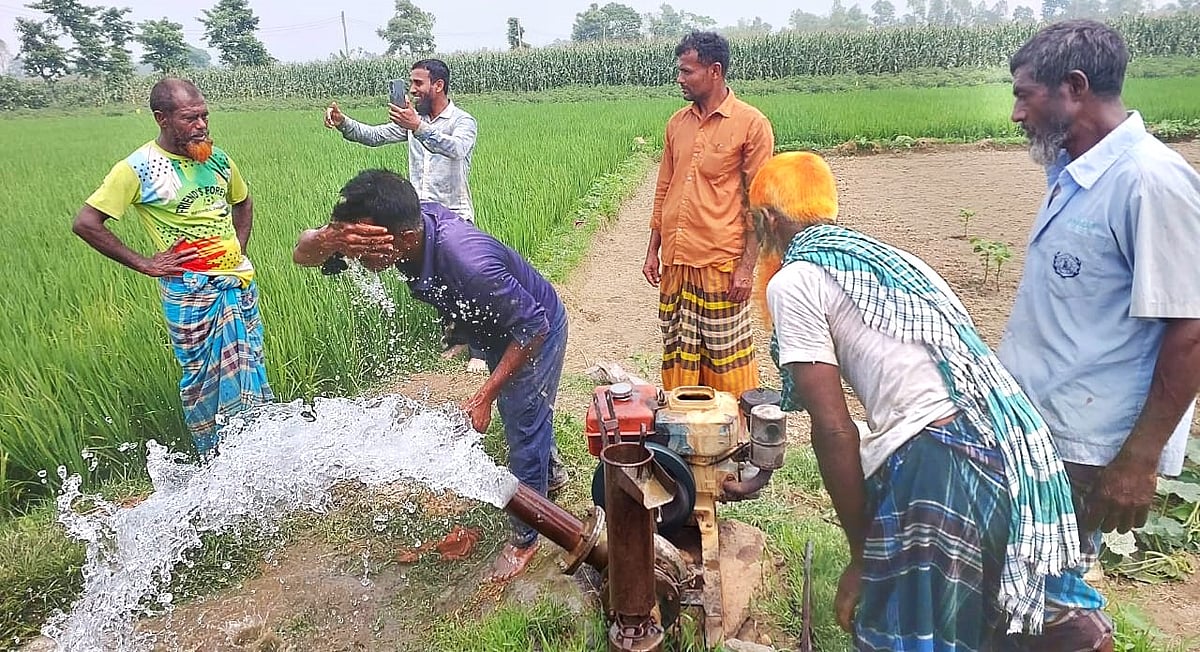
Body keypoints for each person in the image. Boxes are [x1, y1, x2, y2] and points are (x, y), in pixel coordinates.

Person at [750, 151, 1085, 650]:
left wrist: (862, 557)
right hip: (1008, 445)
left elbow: (833, 428)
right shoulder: (890, 261)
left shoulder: (796, 280)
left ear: (769, 221)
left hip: (939, 458)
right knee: (994, 627)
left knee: (909, 631)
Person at [996, 19, 1200, 650]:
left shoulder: (1149, 181)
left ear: (1074, 89)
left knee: (1056, 600)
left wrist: (1139, 460)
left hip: (1088, 446)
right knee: (1024, 585)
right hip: (1041, 429)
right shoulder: (1073, 169)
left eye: (1025, 94)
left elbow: (1190, 329)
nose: (1015, 112)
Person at [292, 168, 569, 581]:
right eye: (354, 247)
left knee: (522, 423)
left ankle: (528, 535)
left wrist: (484, 396)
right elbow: (302, 254)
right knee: (524, 420)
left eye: (366, 251)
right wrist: (331, 239)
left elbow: (534, 326)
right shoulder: (395, 225)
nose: (360, 260)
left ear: (401, 240)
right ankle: (550, 477)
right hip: (494, 325)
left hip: (531, 331)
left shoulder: (467, 262)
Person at [71, 78, 274, 459]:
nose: (201, 125)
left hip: (237, 285)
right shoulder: (138, 168)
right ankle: (216, 459)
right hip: (191, 293)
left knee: (250, 364)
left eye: (204, 116)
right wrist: (145, 264)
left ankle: (258, 455)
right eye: (189, 118)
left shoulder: (216, 158)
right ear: (161, 119)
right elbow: (86, 222)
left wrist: (238, 250)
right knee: (201, 379)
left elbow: (243, 202)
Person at [324, 58, 488, 374]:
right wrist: (343, 121)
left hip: (453, 216)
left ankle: (480, 349)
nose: (412, 90)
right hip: (419, 216)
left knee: (465, 282)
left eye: (418, 84)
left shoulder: (462, 121)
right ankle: (457, 338)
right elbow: (372, 136)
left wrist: (418, 127)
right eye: (410, 84)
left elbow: (456, 149)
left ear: (438, 86)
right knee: (431, 282)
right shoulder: (412, 122)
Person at [643, 31, 775, 400]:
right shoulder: (676, 124)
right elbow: (664, 188)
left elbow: (758, 206)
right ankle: (681, 438)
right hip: (677, 263)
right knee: (678, 356)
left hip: (721, 266)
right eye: (679, 71)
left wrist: (747, 269)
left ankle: (734, 440)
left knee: (726, 361)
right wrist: (653, 250)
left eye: (688, 71)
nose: (679, 79)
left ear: (714, 71)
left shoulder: (751, 124)